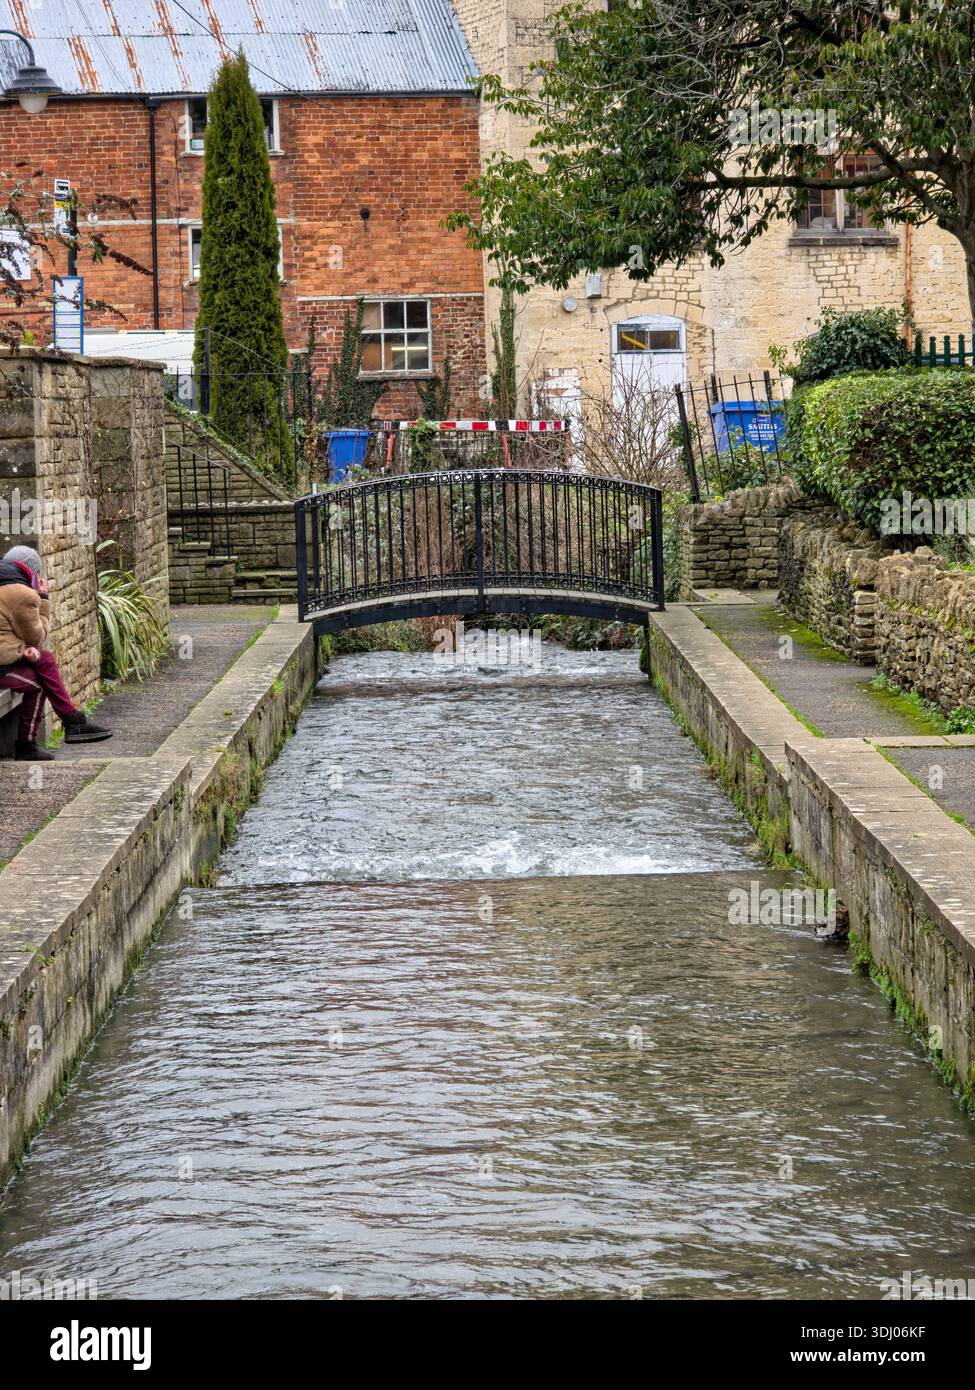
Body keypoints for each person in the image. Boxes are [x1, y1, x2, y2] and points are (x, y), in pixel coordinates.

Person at [0, 545, 112, 761]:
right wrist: (43, 598)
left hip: (6, 660)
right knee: (41, 682)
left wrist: (24, 650)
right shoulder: (23, 595)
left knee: (46, 659)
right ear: (32, 573)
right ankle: (28, 744)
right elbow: (37, 636)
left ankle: (72, 721)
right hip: (2, 668)